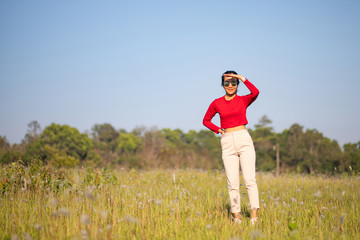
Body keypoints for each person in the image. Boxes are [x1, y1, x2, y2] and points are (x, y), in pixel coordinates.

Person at [203, 70, 260, 225]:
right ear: (222, 84)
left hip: (243, 139)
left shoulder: (243, 100)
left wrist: (242, 77)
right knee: (232, 183)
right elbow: (206, 120)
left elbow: (255, 92)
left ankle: (254, 217)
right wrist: (218, 130)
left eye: (233, 82)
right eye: (226, 82)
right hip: (227, 141)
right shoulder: (217, 103)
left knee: (250, 180)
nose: (230, 85)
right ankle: (237, 218)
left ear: (237, 84)